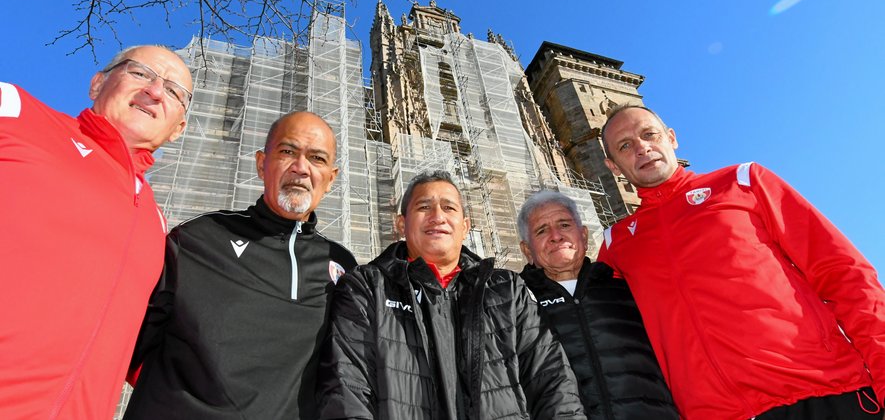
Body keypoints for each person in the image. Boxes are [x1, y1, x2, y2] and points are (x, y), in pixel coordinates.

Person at [597, 104, 885, 420]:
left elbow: (843, 273)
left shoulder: (743, 181)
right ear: (613, 166)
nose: (642, 148)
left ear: (671, 138)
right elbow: (610, 342)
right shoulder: (616, 243)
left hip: (824, 394)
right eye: (625, 145)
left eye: (648, 134)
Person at [123, 111, 358, 419]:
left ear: (331, 178)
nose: (300, 168)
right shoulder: (198, 238)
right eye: (288, 152)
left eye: (316, 158)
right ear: (262, 164)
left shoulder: (342, 265)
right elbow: (128, 348)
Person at [0, 46, 192, 419]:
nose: (154, 91)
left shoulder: (157, 223)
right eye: (140, 73)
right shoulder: (16, 112)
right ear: (97, 83)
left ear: (178, 129)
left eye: (173, 91)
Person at [316, 170, 586, 419]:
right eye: (424, 207)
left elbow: (553, 383)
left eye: (449, 207)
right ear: (401, 224)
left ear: (465, 225)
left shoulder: (507, 290)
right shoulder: (366, 288)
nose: (438, 216)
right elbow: (347, 389)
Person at [517, 190, 679, 419]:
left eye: (564, 225)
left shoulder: (628, 286)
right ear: (527, 251)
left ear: (583, 235)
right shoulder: (516, 305)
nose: (556, 236)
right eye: (542, 230)